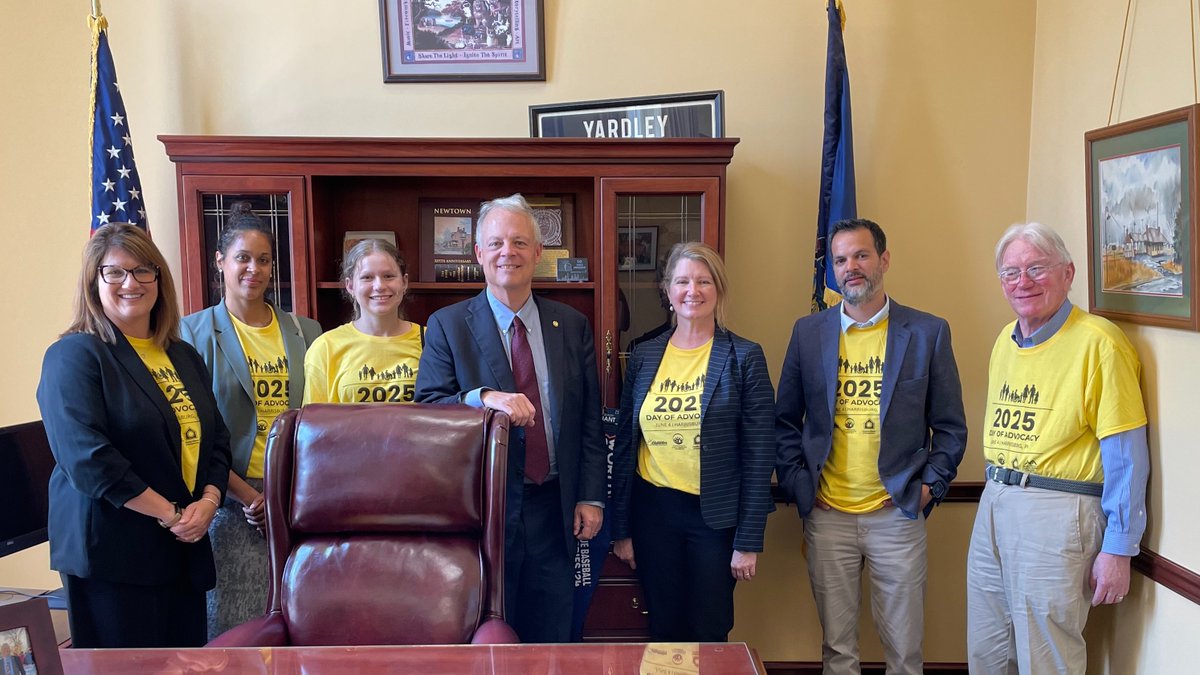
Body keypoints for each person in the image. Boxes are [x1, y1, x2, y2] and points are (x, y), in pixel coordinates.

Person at [774, 218, 967, 675]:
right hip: (828, 517)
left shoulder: (927, 332)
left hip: (896, 515)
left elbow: (951, 428)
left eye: (861, 255)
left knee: (905, 653)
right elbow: (783, 422)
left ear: (884, 259)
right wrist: (802, 489)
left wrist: (928, 489)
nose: (851, 268)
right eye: (840, 260)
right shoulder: (809, 333)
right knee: (838, 652)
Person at [415, 193, 606, 643]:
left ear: (538, 253)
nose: (509, 252)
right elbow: (428, 411)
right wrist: (484, 399)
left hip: (555, 507)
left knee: (552, 637)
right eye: (497, 243)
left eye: (520, 242)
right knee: (490, 637)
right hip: (485, 508)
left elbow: (589, 421)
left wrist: (592, 496)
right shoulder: (447, 324)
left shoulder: (572, 324)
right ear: (479, 253)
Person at [36, 223, 231, 648]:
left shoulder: (182, 354)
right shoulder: (74, 355)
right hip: (114, 554)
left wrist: (210, 502)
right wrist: (172, 514)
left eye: (144, 270)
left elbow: (216, 438)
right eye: (116, 272)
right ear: (94, 281)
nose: (132, 283)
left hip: (183, 546)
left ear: (159, 279)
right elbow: (89, 459)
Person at [967, 222, 1149, 675]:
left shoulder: (1099, 343)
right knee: (988, 653)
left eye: (1036, 268)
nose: (1022, 282)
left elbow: (1127, 456)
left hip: (1058, 513)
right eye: (1011, 273)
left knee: (1047, 659)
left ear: (1068, 274)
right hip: (995, 501)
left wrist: (1120, 548)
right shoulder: (1004, 341)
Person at [609, 242, 775, 641]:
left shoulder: (744, 357)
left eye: (703, 281)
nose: (692, 290)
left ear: (718, 289)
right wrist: (622, 529)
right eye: (682, 281)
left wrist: (748, 540)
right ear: (668, 291)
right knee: (663, 625)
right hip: (654, 514)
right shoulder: (644, 356)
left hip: (714, 520)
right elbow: (629, 446)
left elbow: (759, 453)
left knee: (709, 628)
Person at [179, 202, 322, 640]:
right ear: (219, 261)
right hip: (232, 499)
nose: (253, 269)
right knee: (238, 622)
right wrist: (246, 497)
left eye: (263, 260)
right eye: (242, 258)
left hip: (300, 494)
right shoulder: (192, 333)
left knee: (302, 617)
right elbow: (192, 431)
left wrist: (288, 492)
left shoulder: (307, 331)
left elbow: (319, 418)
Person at [303, 238, 422, 404]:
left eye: (388, 276)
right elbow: (313, 423)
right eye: (367, 277)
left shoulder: (432, 340)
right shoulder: (325, 348)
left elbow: (445, 412)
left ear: (404, 282)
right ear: (350, 286)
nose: (379, 285)